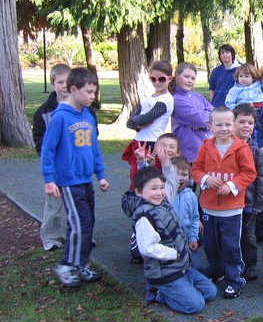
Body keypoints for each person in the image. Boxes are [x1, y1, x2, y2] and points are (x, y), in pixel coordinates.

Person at [41, 67, 109, 287]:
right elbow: (48, 150)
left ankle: (81, 263)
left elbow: (94, 148)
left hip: (85, 180)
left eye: (94, 92)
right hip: (68, 182)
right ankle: (66, 264)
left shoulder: (87, 116)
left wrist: (100, 174)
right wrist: (49, 180)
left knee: (88, 223)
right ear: (73, 89)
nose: (92, 96)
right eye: (88, 92)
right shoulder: (60, 117)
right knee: (78, 225)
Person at [131, 158, 217, 314]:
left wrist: (166, 163)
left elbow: (172, 180)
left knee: (210, 292)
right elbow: (148, 248)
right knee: (195, 304)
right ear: (138, 192)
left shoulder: (164, 202)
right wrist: (173, 253)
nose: (159, 193)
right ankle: (158, 294)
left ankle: (183, 288)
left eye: (161, 188)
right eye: (153, 189)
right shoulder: (144, 216)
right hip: (165, 273)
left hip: (183, 267)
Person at [191, 107, 257, 299]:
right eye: (219, 124)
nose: (224, 128)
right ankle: (216, 271)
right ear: (210, 126)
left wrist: (232, 185)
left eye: (228, 124)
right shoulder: (205, 146)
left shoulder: (241, 148)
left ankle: (235, 279)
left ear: (234, 125)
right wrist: (205, 179)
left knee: (230, 246)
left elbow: (249, 173)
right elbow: (196, 169)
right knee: (211, 245)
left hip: (231, 210)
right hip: (208, 207)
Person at [33, 64, 91, 251]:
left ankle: (81, 235)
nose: (64, 86)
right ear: (53, 84)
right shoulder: (43, 113)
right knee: (55, 202)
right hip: (58, 168)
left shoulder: (83, 108)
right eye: (60, 82)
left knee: (80, 201)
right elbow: (42, 142)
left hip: (78, 166)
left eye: (68, 82)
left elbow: (91, 134)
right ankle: (51, 236)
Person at [122, 60, 174, 190]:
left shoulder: (166, 99)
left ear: (170, 79)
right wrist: (139, 124)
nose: (157, 83)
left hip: (151, 143)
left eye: (161, 79)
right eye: (153, 79)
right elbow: (130, 122)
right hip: (139, 141)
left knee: (149, 179)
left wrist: (140, 121)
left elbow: (146, 119)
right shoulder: (148, 99)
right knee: (136, 177)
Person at [232, 104, 263, 281]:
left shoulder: (255, 150)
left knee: (248, 236)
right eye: (241, 122)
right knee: (231, 235)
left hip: (249, 201)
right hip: (230, 203)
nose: (246, 126)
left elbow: (261, 177)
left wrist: (260, 202)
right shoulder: (227, 147)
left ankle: (251, 265)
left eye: (250, 122)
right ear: (232, 124)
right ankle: (232, 264)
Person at [226, 63, 263, 160]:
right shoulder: (235, 90)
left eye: (247, 76)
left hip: (261, 110)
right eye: (241, 76)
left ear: (253, 78)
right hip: (249, 112)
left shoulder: (257, 84)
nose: (243, 79)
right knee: (257, 128)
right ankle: (261, 149)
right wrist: (240, 107)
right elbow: (229, 103)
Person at [171, 62, 214, 163]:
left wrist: (203, 125)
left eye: (193, 78)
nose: (190, 81)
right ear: (176, 76)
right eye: (186, 77)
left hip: (208, 151)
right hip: (190, 154)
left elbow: (215, 113)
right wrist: (205, 121)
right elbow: (200, 119)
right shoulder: (176, 100)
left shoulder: (197, 96)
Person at [169, 156, 203, 272]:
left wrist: (193, 238)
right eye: (175, 174)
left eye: (184, 174)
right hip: (169, 242)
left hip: (187, 241)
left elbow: (194, 219)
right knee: (170, 268)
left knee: (197, 267)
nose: (180, 178)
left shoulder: (191, 196)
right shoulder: (165, 194)